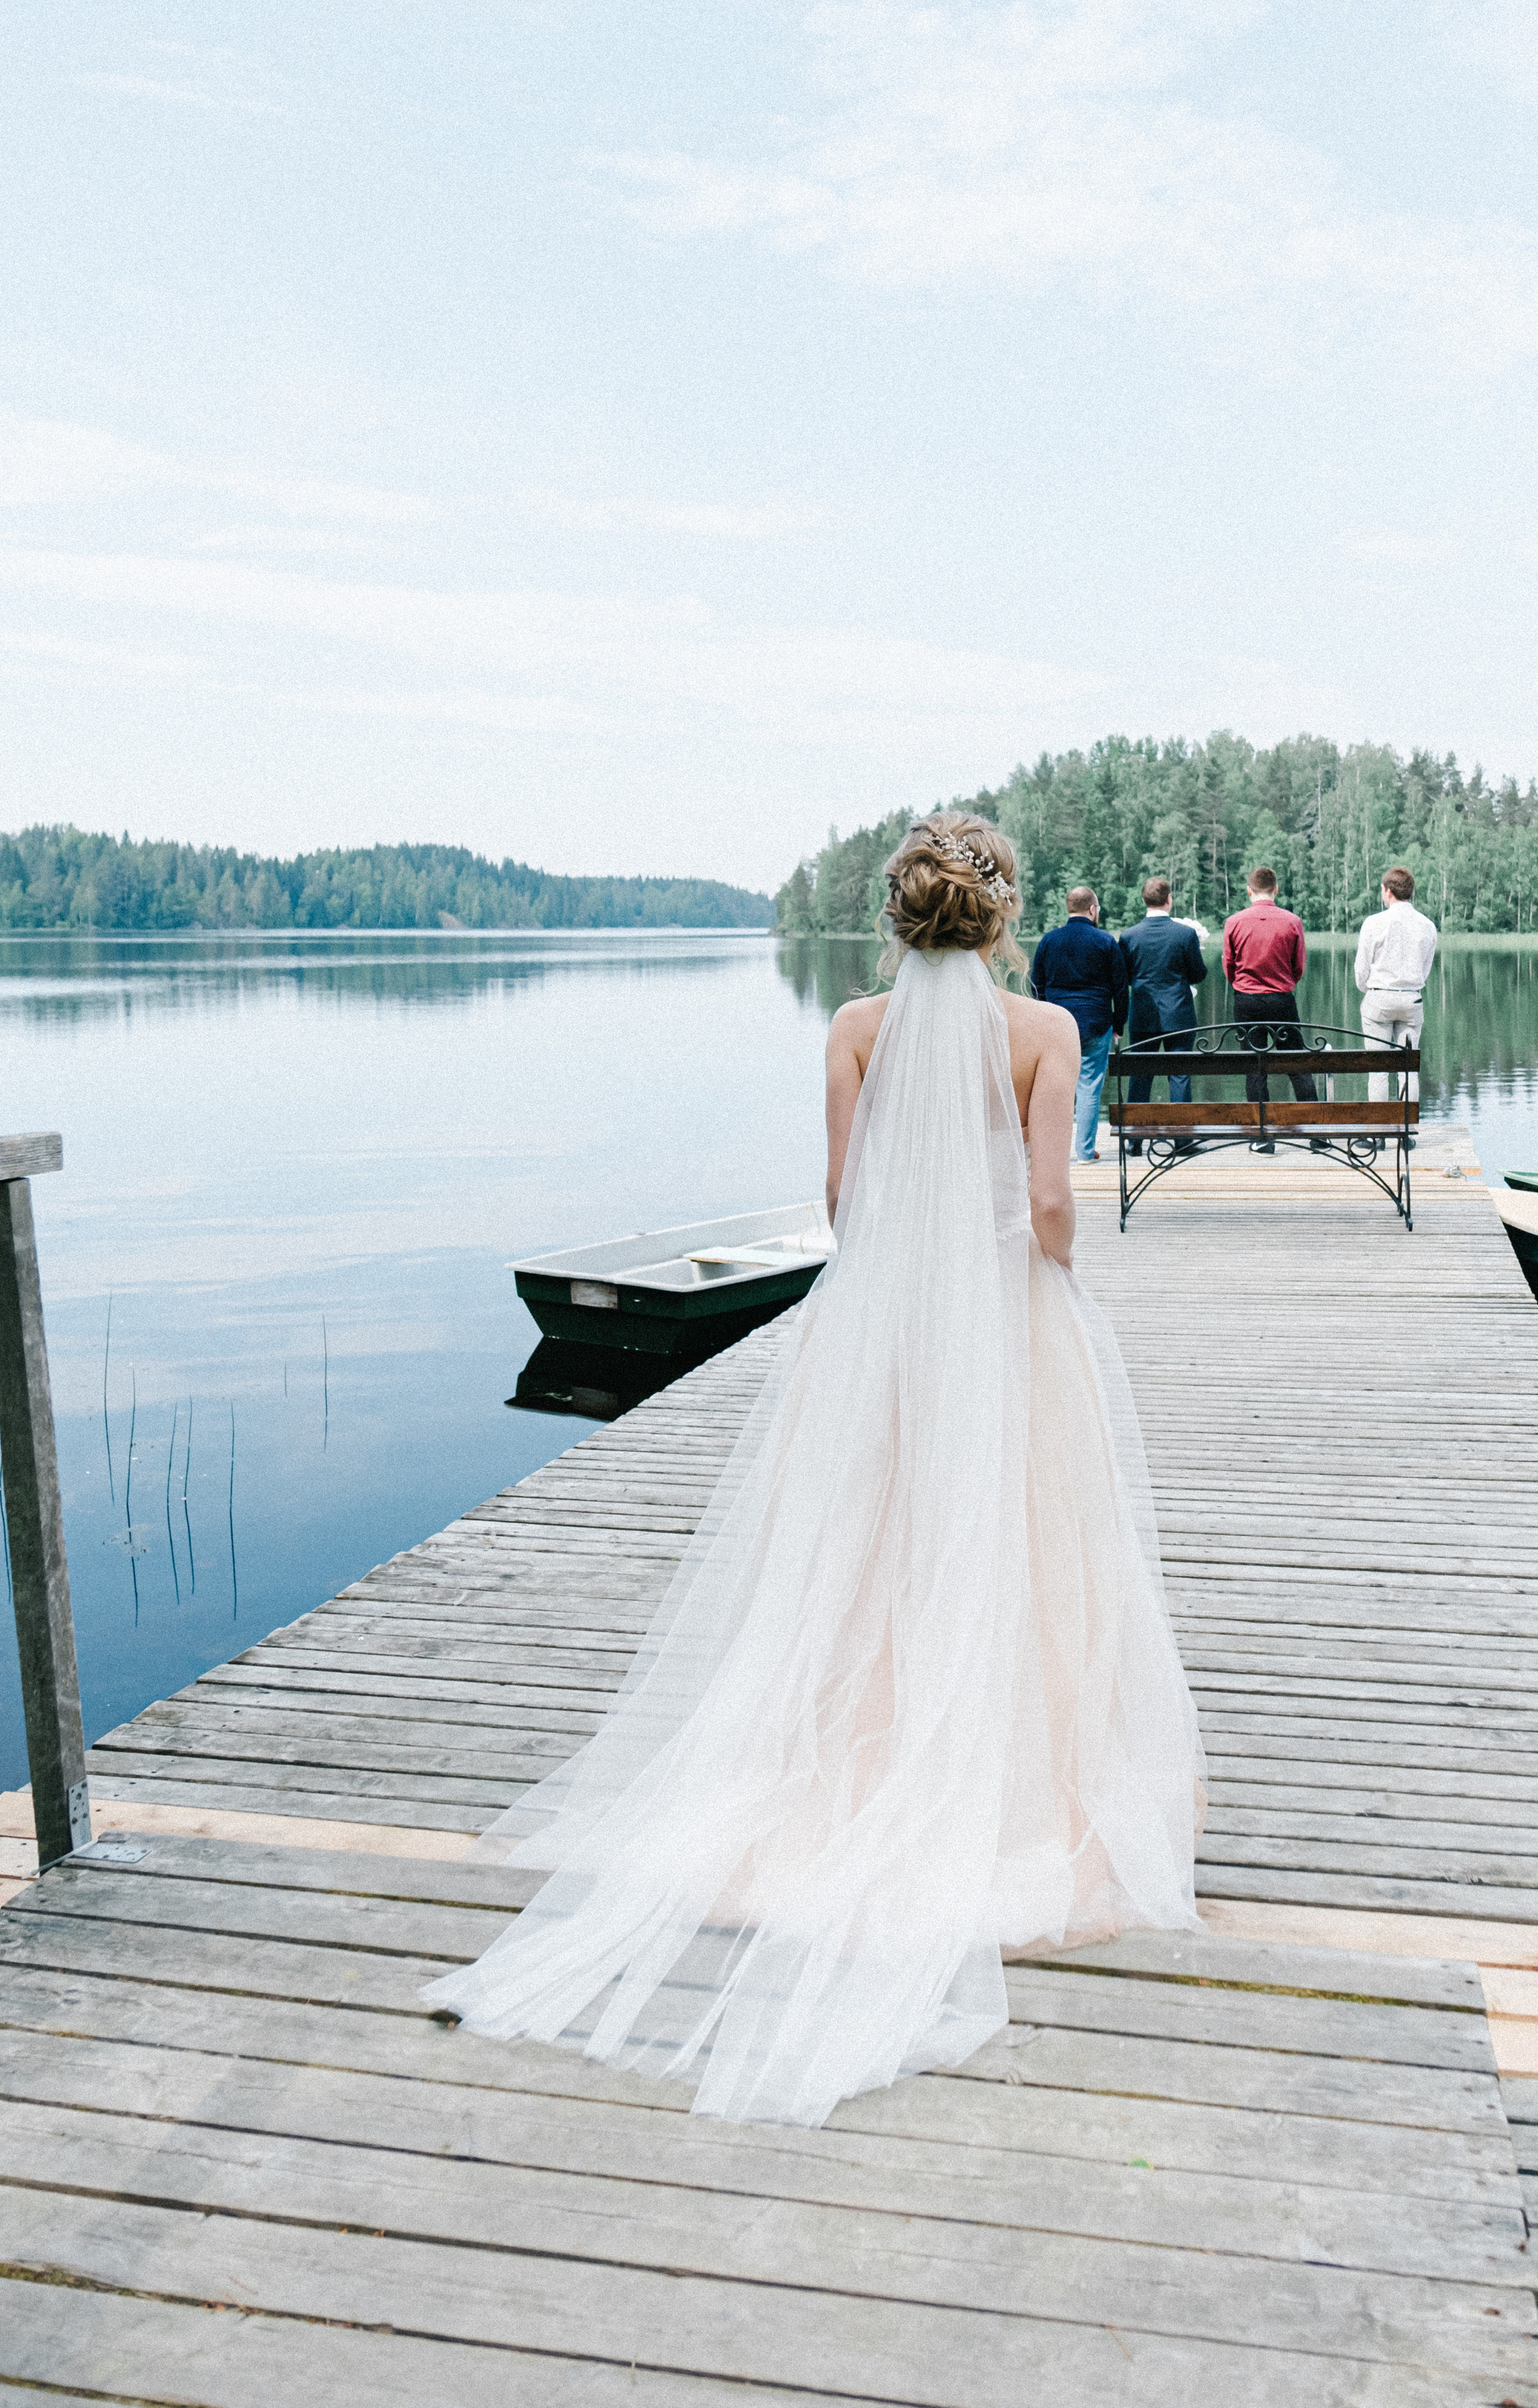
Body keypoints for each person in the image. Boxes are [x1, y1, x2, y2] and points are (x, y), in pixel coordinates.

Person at [424, 814, 1204, 2127]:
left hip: (883, 1317)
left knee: (865, 1534)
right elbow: (1054, 1204)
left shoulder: (853, 1027)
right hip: (1006, 1307)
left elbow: (845, 1199)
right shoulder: (1046, 1035)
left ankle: (845, 1770)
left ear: (897, 918)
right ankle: (1006, 1784)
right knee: (1022, 1531)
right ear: (1000, 919)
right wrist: (1045, 1274)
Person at [1029, 885, 1128, 1163]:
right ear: (1093, 909)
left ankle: (1052, 1154)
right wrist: (1118, 1024)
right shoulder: (1106, 941)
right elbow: (1120, 990)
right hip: (1096, 1022)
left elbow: (1037, 985)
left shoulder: (1049, 941)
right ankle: (1085, 1151)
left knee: (1056, 1089)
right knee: (1089, 1087)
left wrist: (1045, 1016)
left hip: (1057, 1025)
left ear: (1068, 908)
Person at [1118, 877, 1207, 1152]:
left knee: (1141, 1076)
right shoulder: (1184, 934)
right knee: (1179, 1075)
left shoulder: (1129, 936)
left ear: (1144, 901)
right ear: (1169, 900)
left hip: (1143, 1013)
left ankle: (1134, 1141)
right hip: (1178, 1013)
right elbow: (1198, 974)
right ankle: (1182, 1140)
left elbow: (1126, 977)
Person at [1221, 866, 1318, 1113]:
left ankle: (1262, 1136)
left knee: (1254, 1067)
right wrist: (1283, 983)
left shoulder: (1234, 922)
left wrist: (1242, 986)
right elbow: (1299, 966)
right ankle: (1316, 1132)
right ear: (1275, 889)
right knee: (1296, 1064)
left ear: (1249, 891)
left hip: (1246, 1000)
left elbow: (1229, 965)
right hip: (1281, 999)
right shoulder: (1292, 921)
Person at [1355, 863, 1436, 1103]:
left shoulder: (1373, 923)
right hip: (1411, 999)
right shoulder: (1428, 926)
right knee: (1408, 1070)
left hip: (1379, 999)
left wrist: (1369, 990)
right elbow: (1425, 969)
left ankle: (1379, 1136)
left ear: (1388, 891)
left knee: (1378, 1069)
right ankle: (1407, 1132)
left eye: (1382, 889)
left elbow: (1362, 970)